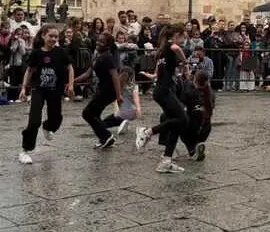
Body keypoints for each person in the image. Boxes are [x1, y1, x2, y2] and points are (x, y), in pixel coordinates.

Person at [135, 24, 190, 174]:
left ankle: (166, 161)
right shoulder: (171, 47)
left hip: (161, 90)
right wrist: (185, 64)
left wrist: (149, 75)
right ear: (177, 35)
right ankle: (148, 132)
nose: (184, 39)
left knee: (176, 124)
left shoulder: (161, 52)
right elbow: (177, 49)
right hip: (164, 91)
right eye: (183, 36)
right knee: (183, 119)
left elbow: (156, 75)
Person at [19, 26, 74, 165]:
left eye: (56, 37)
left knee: (56, 118)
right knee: (34, 120)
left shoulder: (60, 52)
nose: (54, 39)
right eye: (51, 36)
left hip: (55, 89)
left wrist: (71, 85)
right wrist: (23, 88)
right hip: (39, 89)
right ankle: (25, 150)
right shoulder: (36, 53)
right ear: (43, 36)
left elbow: (70, 67)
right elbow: (29, 71)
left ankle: (48, 127)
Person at [76, 33, 124, 150]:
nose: (98, 43)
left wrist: (118, 96)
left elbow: (115, 76)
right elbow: (88, 73)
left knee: (87, 113)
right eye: (98, 40)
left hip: (108, 91)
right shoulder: (97, 55)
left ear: (108, 45)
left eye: (102, 42)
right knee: (95, 115)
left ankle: (107, 136)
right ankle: (104, 138)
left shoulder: (108, 57)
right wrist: (73, 81)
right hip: (101, 89)